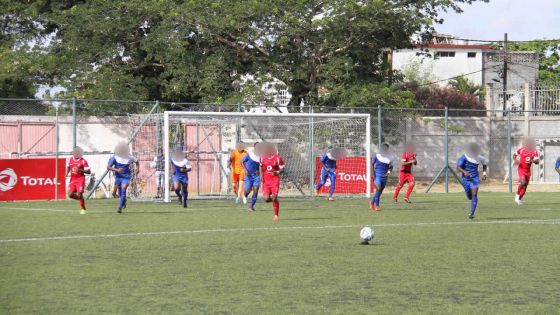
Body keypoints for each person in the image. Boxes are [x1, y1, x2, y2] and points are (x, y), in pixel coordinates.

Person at [457, 143, 487, 219]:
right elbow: (458, 167)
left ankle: (471, 213)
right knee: (469, 196)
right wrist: (464, 172)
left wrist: (484, 174)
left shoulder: (480, 158)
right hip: (466, 179)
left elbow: (484, 165)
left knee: (474, 193)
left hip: (475, 178)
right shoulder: (464, 157)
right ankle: (469, 195)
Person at [107, 143, 139, 213]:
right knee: (120, 191)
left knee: (123, 190)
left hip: (126, 176)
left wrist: (137, 169)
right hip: (118, 177)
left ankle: (119, 207)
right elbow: (108, 167)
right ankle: (123, 201)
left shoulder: (129, 156)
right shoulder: (114, 157)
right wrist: (117, 170)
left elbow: (137, 161)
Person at [260, 143, 285, 222]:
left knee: (274, 197)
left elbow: (282, 169)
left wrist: (277, 172)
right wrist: (261, 175)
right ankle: (275, 201)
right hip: (266, 182)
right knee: (266, 199)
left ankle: (276, 214)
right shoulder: (262, 157)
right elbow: (260, 166)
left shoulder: (278, 158)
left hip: (274, 181)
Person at [513, 138, 539, 205]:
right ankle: (517, 195)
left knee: (525, 187)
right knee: (523, 182)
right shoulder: (521, 150)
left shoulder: (535, 151)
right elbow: (514, 155)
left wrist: (533, 160)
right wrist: (515, 160)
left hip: (528, 171)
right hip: (521, 169)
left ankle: (519, 199)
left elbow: (537, 162)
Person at [370, 143, 394, 211]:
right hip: (377, 175)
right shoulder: (377, 156)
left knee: (380, 192)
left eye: (385, 148)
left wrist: (388, 172)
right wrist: (373, 174)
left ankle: (372, 202)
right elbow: (371, 164)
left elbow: (391, 167)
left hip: (384, 177)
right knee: (378, 189)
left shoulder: (391, 157)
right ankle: (377, 206)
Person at [66, 146, 90, 214]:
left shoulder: (83, 161)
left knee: (79, 194)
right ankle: (81, 199)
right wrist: (66, 173)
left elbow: (88, 171)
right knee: (70, 195)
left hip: (80, 179)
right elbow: (68, 166)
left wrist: (79, 169)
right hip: (73, 179)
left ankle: (83, 209)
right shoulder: (70, 159)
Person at [241, 142, 262, 213]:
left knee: (255, 189)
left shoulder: (261, 156)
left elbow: (262, 165)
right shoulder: (250, 154)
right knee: (247, 190)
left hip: (256, 176)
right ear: (255, 147)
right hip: (248, 175)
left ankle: (251, 207)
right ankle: (245, 195)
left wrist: (260, 171)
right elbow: (242, 161)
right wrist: (245, 170)